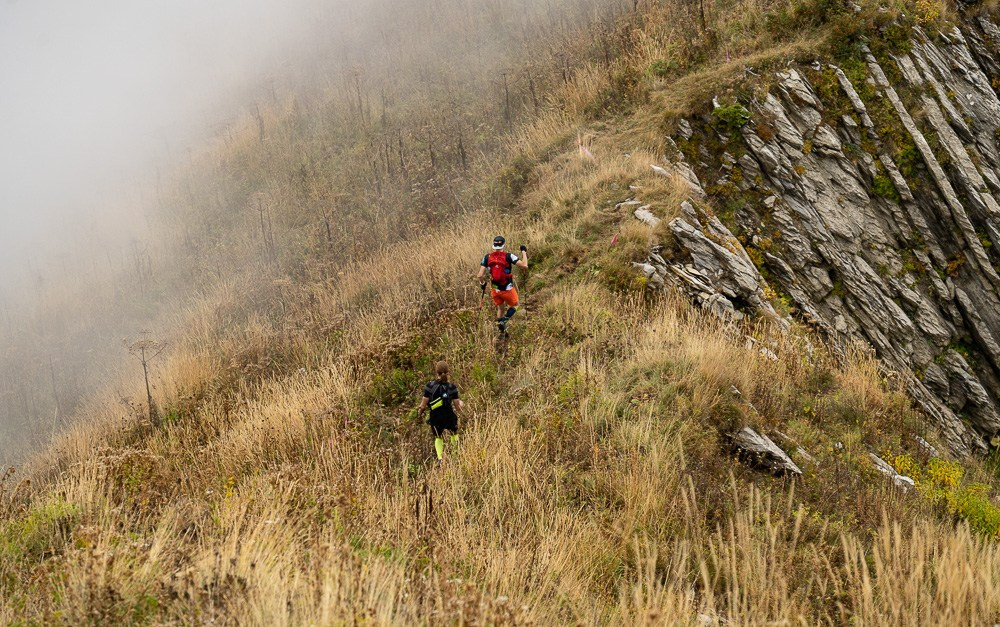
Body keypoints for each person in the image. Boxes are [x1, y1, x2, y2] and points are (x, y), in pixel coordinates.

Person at [478, 235, 528, 333]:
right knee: (516, 305)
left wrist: (482, 283)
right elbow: (524, 265)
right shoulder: (508, 256)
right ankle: (503, 322)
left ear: (493, 245)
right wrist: (524, 252)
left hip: (495, 289)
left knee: (500, 308)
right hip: (507, 289)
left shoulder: (487, 257)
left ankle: (501, 331)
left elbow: (480, 275)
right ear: (503, 245)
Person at [417, 361, 465, 460]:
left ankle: (440, 458)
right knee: (454, 433)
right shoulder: (452, 388)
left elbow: (423, 405)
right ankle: (455, 456)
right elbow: (458, 408)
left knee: (438, 437)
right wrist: (461, 404)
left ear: (436, 372)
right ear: (448, 372)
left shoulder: (429, 386)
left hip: (435, 418)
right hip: (449, 416)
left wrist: (419, 415)